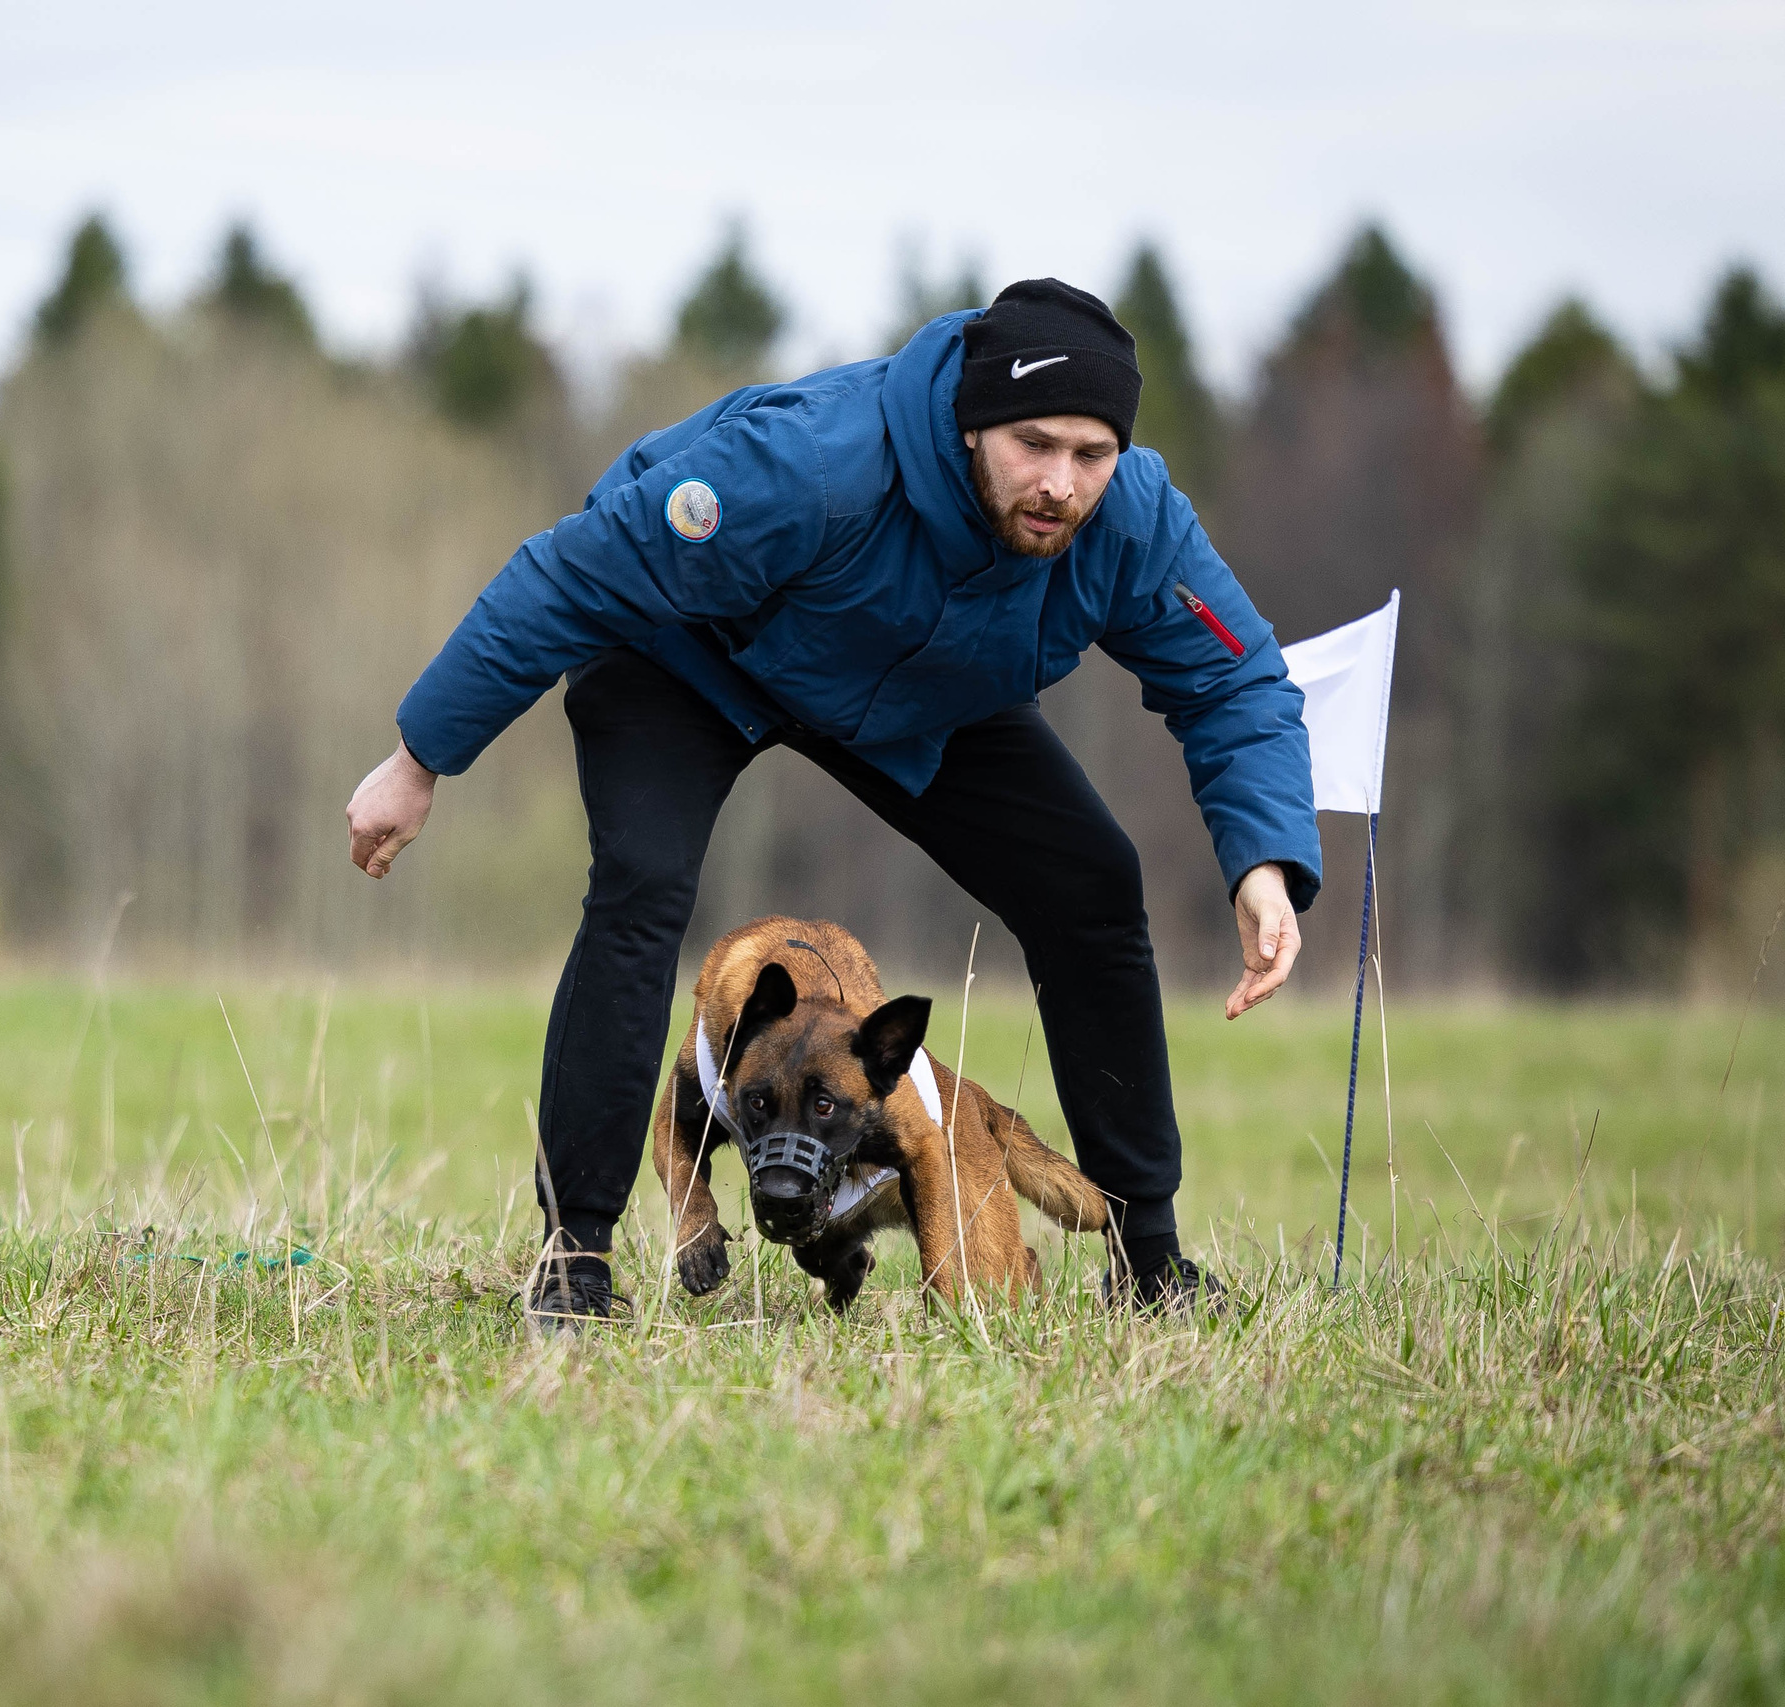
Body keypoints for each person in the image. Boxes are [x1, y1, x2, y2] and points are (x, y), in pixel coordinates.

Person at [344, 279, 1317, 1322]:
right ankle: (573, 1257)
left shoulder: (1130, 523)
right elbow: (574, 574)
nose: (1061, 485)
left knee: (1090, 884)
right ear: (971, 421)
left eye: (1090, 454)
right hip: (691, 656)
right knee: (639, 888)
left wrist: (1261, 861)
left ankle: (1149, 1262)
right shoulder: (811, 468)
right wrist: (420, 754)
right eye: (1033, 444)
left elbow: (1233, 677)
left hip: (913, 694)